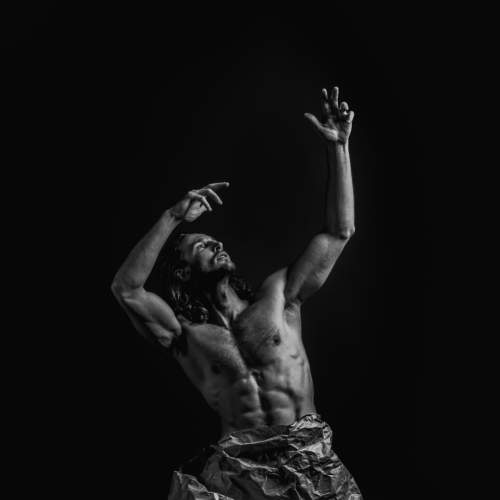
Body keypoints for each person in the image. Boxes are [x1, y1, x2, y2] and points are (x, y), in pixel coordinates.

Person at [111, 86, 362, 499]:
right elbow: (126, 288)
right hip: (242, 473)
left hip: (309, 458)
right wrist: (173, 217)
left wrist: (339, 147)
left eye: (216, 242)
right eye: (202, 246)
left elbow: (338, 232)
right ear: (183, 273)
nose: (217, 246)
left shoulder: (280, 298)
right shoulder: (185, 336)